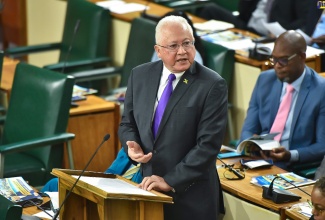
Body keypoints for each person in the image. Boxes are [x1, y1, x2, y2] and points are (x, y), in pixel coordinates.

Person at [118, 15, 228, 220]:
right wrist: (130, 144)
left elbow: (208, 146)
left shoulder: (212, 85)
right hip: (147, 190)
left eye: (187, 43)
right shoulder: (139, 75)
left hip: (191, 198)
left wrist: (170, 181)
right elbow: (127, 123)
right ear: (158, 50)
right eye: (173, 46)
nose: (182, 51)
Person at [239, 30, 325, 170]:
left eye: (284, 60)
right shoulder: (265, 80)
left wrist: (290, 155)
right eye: (274, 59)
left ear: (302, 57)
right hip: (258, 159)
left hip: (291, 165)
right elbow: (248, 129)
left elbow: (322, 146)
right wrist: (253, 145)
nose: (277, 65)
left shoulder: (321, 90)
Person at [197, 0, 311, 36]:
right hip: (247, 25)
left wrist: (282, 32)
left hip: (267, 35)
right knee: (209, 9)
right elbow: (243, 9)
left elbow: (304, 21)